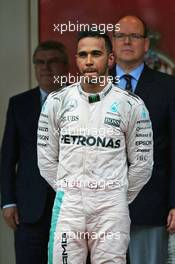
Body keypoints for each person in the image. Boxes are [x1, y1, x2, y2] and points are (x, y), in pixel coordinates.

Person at [37, 29, 153, 264]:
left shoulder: (131, 105)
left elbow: (142, 165)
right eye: (83, 54)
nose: (89, 61)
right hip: (68, 207)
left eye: (96, 53)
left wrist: (114, 195)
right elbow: (46, 160)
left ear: (110, 59)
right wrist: (71, 192)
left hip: (111, 210)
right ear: (76, 59)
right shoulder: (56, 102)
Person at [110, 15, 175, 264]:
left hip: (151, 207)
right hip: (100, 209)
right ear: (112, 44)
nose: (127, 41)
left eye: (134, 36)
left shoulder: (168, 88)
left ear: (146, 44)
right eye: (121, 36)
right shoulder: (92, 88)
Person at [0, 40, 69, 264]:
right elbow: (8, 158)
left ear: (66, 66)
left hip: (72, 208)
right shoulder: (19, 104)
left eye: (52, 62)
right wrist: (8, 202)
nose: (45, 67)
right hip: (30, 210)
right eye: (39, 62)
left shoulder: (83, 102)